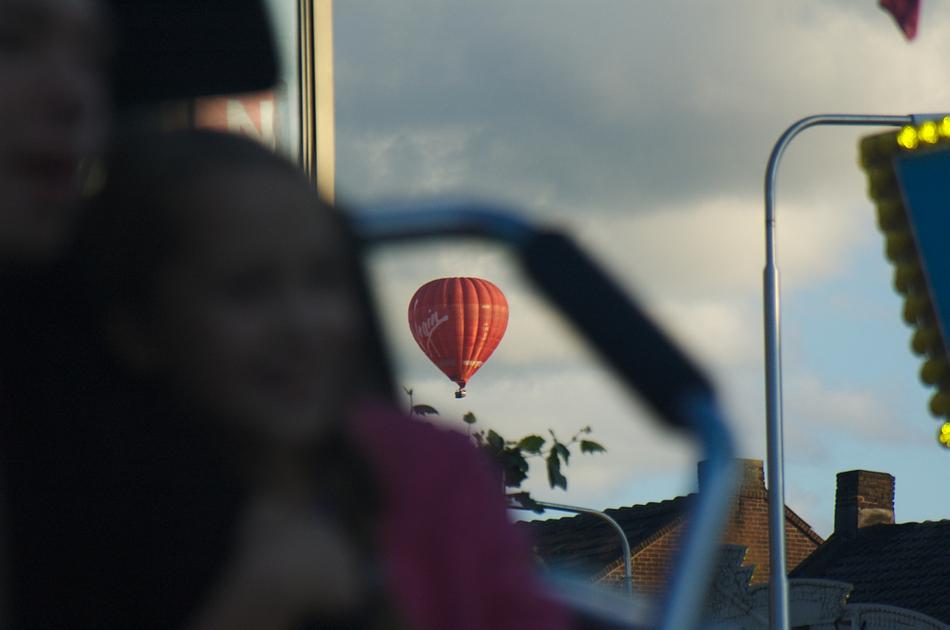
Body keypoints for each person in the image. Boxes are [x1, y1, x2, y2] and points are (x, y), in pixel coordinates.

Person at [54, 129, 572, 629]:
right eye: (247, 290)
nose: (302, 326)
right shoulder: (70, 510)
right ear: (139, 328)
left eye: (323, 279)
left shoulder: (433, 478)